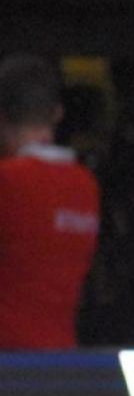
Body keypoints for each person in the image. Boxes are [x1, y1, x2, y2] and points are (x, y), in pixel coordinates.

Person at [0, 53, 100, 349]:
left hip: (8, 359)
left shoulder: (8, 180)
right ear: (57, 113)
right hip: (62, 359)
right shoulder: (86, 186)